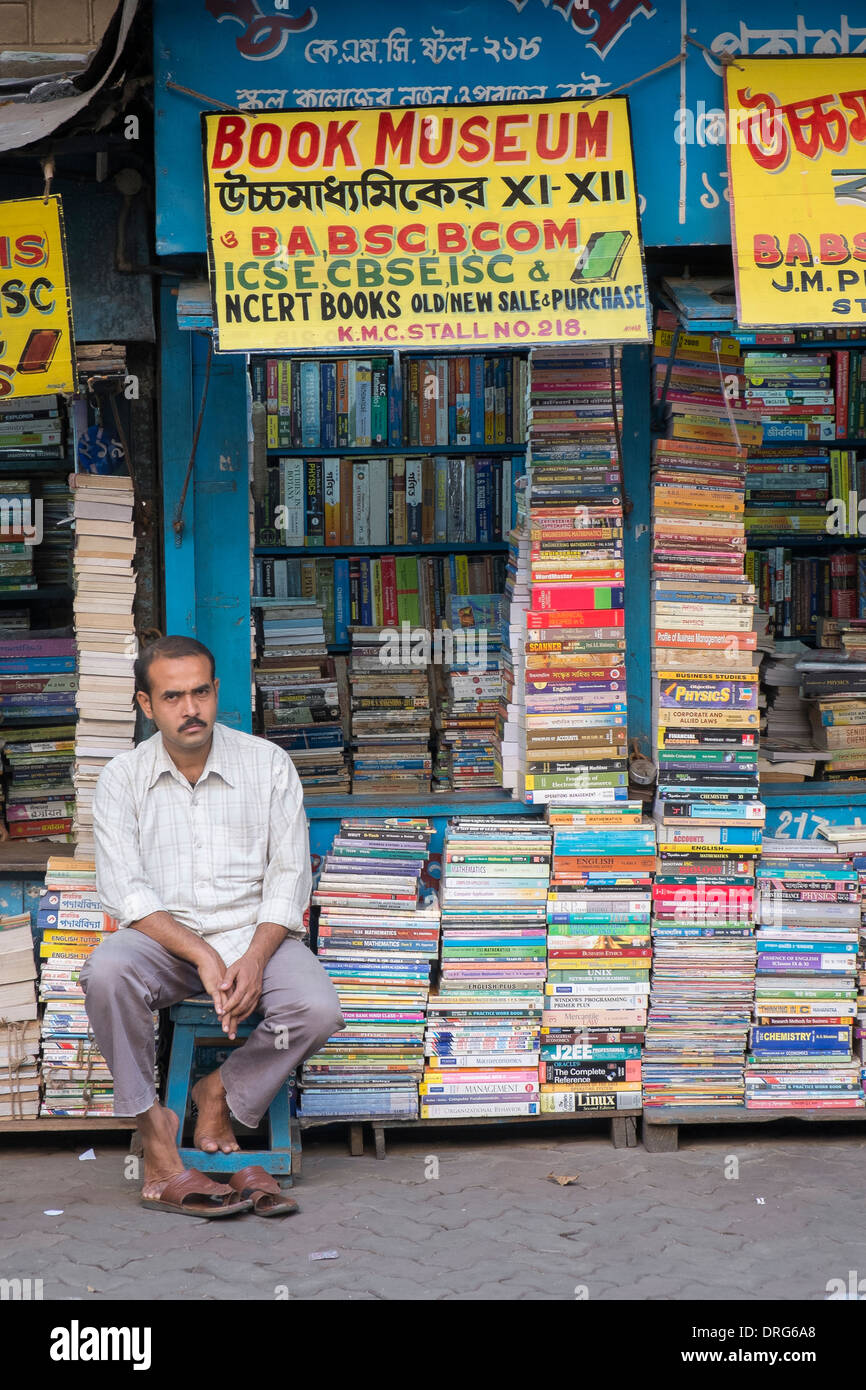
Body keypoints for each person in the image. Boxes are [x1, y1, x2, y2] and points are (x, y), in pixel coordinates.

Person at [79, 634, 343, 1218]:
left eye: (201, 692)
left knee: (317, 1008)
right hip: (165, 942)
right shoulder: (121, 779)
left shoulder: (267, 763)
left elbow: (288, 875)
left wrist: (253, 955)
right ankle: (154, 1129)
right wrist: (201, 953)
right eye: (173, 697)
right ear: (147, 705)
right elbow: (127, 893)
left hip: (258, 937)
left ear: (217, 690)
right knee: (104, 973)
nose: (190, 708)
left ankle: (219, 1089)